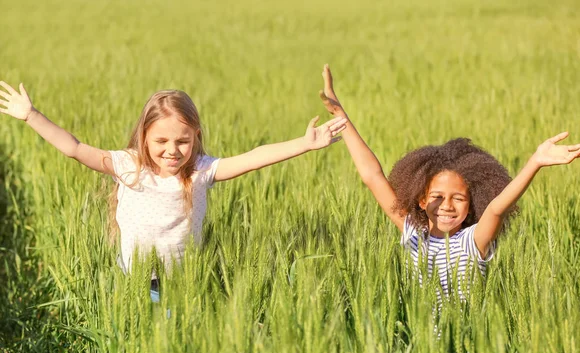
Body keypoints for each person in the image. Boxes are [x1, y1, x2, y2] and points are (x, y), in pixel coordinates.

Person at [0, 81, 347, 301]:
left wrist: (303, 144)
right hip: (133, 280)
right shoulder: (128, 166)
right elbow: (75, 148)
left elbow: (253, 158)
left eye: (183, 141)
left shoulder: (200, 171)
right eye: (161, 141)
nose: (172, 150)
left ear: (195, 136)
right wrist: (31, 116)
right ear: (144, 138)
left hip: (183, 283)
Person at [318, 65, 580, 299]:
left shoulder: (473, 241)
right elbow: (372, 176)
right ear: (421, 199)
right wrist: (340, 116)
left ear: (473, 201)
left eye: (458, 198)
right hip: (423, 349)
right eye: (436, 196)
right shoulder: (414, 235)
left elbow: (497, 208)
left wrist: (535, 162)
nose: (446, 205)